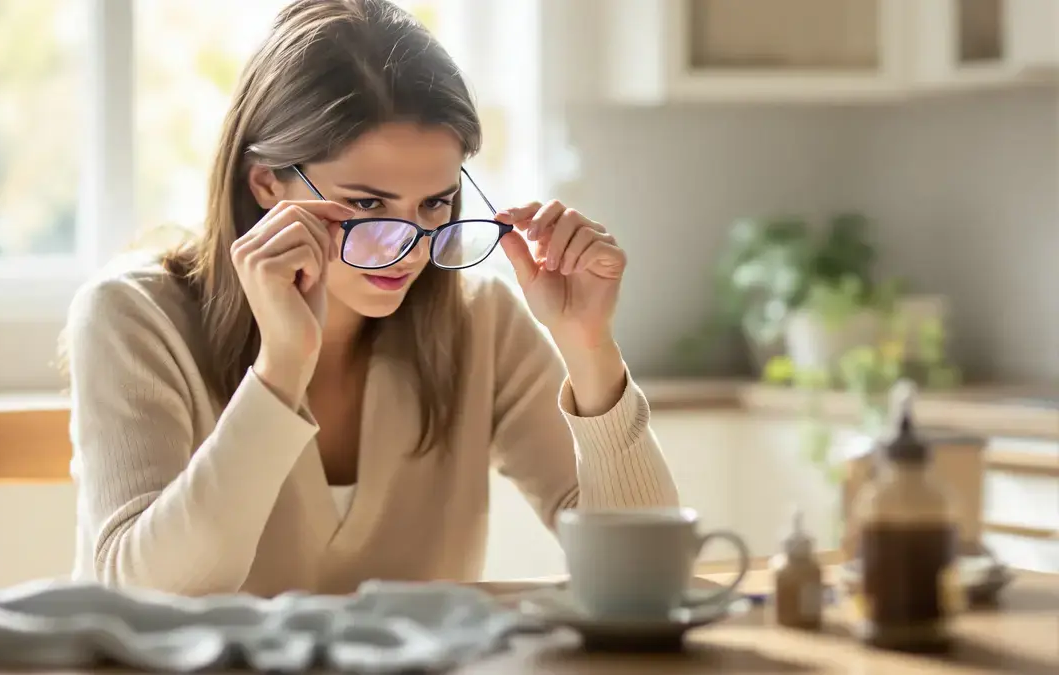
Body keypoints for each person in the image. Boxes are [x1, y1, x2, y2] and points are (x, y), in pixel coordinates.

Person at [66, 0, 678, 598]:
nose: (408, 248)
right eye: (366, 206)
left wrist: (590, 350)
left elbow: (647, 577)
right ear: (266, 184)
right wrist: (281, 370)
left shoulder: (479, 320)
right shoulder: (132, 318)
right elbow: (146, 593)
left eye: (436, 203)